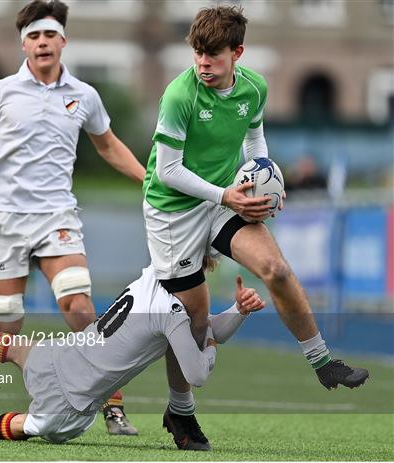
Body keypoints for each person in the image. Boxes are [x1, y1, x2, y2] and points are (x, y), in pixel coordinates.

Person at [142, 5, 369, 443]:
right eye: (198, 54)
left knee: (277, 270)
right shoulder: (178, 95)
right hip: (173, 210)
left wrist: (265, 177)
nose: (203, 64)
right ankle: (180, 411)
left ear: (237, 53)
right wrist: (225, 194)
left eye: (213, 56)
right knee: (193, 317)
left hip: (225, 198)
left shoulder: (255, 88)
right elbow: (168, 172)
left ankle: (323, 362)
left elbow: (254, 138)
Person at [0, 0, 145, 435]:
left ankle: (111, 401)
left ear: (62, 42)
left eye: (49, 35)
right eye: (34, 36)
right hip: (1, 219)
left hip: (56, 215)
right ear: (24, 45)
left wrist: (147, 179)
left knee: (79, 305)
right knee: (2, 328)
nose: (42, 43)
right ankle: (53, 390)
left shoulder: (84, 95)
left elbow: (108, 145)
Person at [0, 269, 265, 449]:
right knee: (31, 425)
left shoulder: (149, 277)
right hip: (72, 403)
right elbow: (198, 370)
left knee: (7, 346)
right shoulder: (172, 313)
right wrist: (213, 340)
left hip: (61, 354)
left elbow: (200, 326)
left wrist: (237, 311)